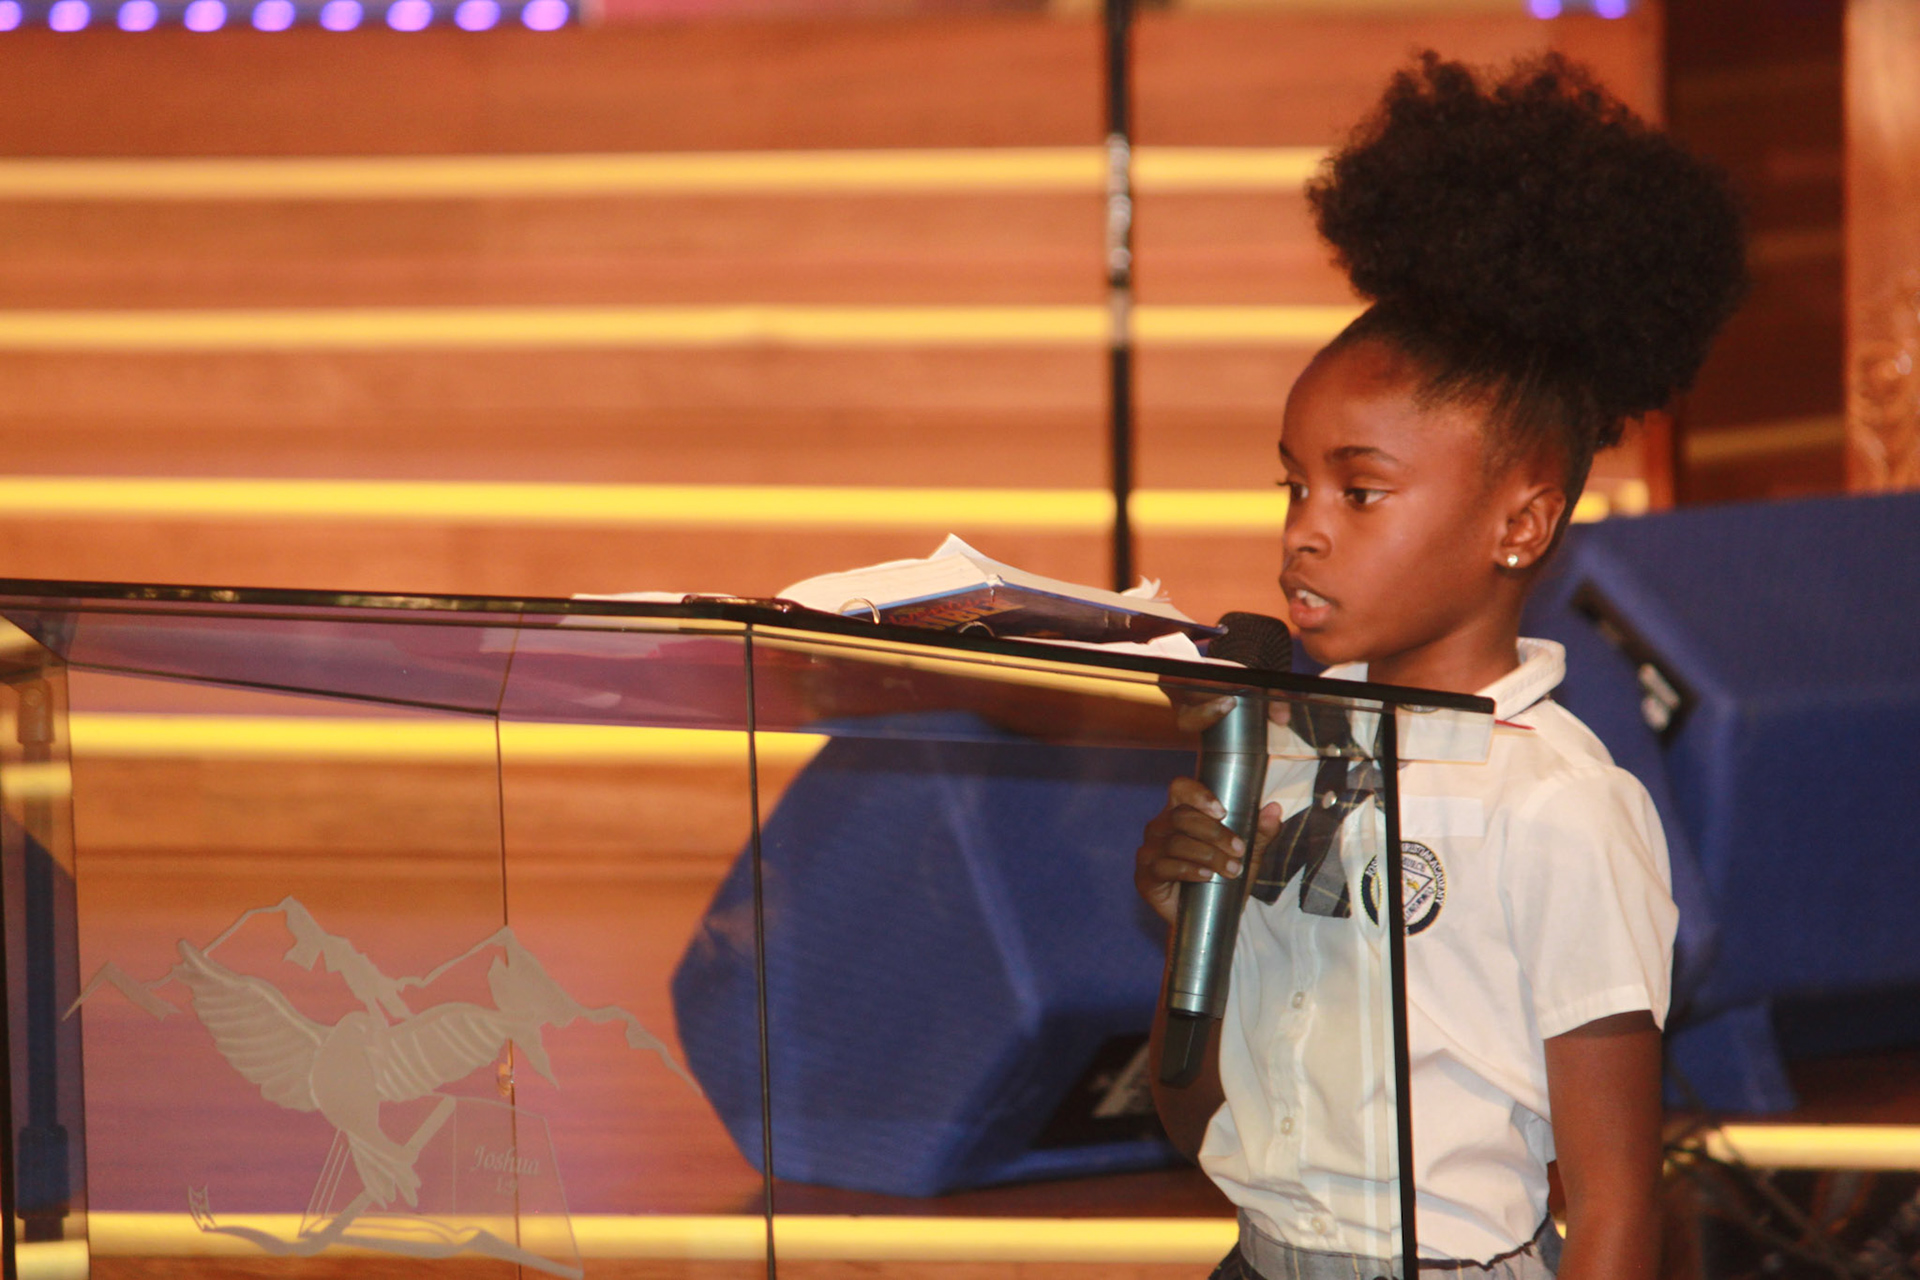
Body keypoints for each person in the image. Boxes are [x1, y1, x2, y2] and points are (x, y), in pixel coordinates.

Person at [1133, 51, 1747, 1280]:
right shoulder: (1284, 753)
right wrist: (1191, 923)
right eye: (1294, 485)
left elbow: (1617, 1207)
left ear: (1520, 523)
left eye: (1360, 492)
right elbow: (1192, 1114)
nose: (1305, 531)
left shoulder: (1557, 806)